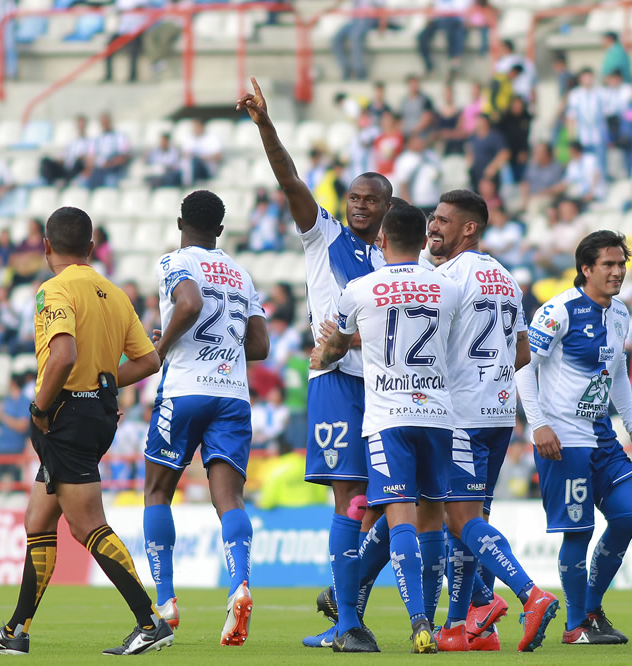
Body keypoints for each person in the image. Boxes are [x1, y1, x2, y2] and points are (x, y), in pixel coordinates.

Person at [0, 206, 169, 656]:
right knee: (38, 520)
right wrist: (104, 383)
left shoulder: (53, 290)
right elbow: (149, 360)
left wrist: (40, 408)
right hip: (96, 413)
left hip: (64, 418)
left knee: (88, 526)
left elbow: (61, 354)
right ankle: (16, 630)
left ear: (45, 247)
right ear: (92, 248)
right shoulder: (114, 293)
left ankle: (150, 622)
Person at [237, 76, 391, 652]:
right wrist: (265, 126)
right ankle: (348, 620)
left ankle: (345, 592)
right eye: (353, 197)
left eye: (370, 200)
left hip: (385, 386)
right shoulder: (323, 237)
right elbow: (289, 180)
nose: (359, 206)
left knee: (390, 498)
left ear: (387, 208)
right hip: (335, 385)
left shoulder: (395, 256)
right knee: (351, 495)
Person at [310, 203, 460, 654]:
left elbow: (336, 345)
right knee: (432, 518)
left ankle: (415, 621)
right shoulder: (448, 288)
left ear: (381, 241)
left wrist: (326, 354)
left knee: (399, 520)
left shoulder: (358, 289)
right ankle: (428, 621)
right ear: (423, 242)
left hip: (388, 417)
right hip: (437, 413)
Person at [427, 190, 559, 652]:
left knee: (458, 519)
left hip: (460, 412)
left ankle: (530, 594)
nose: (433, 227)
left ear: (470, 228)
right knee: (469, 522)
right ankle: (462, 628)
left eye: (443, 220)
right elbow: (522, 353)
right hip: (499, 414)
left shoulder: (448, 277)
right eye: (432, 219)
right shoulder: (507, 278)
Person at [141, 190, 269, 645]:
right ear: (220, 228)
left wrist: (163, 345)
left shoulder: (173, 261)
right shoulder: (240, 273)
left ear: (181, 223)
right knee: (229, 501)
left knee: (157, 493)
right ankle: (239, 586)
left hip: (185, 389)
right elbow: (260, 346)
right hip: (232, 396)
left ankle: (167, 602)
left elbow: (190, 304)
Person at [517, 230, 632, 645]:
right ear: (586, 269)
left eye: (621, 264)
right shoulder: (558, 311)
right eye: (608, 265)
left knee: (628, 518)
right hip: (563, 437)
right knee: (578, 533)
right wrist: (537, 424)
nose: (617, 272)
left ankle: (590, 609)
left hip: (602, 435)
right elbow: (524, 367)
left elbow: (619, 372)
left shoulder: (621, 313)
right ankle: (575, 627)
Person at [331, 0, 386, 81]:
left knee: (355, 36)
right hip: (354, 20)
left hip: (368, 20)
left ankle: (360, 71)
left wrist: (382, 26)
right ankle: (346, 68)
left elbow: (383, 10)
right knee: (336, 38)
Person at [417, 0, 471, 75]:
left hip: (454, 22)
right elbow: (430, 6)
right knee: (421, 37)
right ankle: (429, 66)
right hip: (438, 21)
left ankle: (453, 62)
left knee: (453, 32)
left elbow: (467, 13)